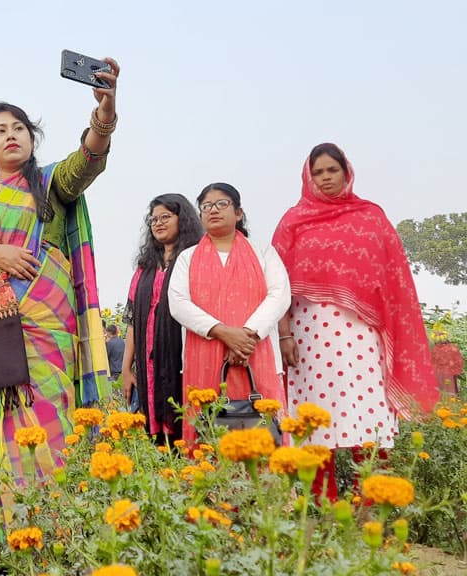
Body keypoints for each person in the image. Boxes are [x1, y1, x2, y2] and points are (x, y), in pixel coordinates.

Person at [0, 58, 118, 565]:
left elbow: (89, 161)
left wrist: (105, 112)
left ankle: (48, 543)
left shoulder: (50, 184)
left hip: (43, 324)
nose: (10, 135)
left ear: (32, 140)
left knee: (46, 424)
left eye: (19, 128)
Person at [272, 143, 438, 499]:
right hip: (308, 339)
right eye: (318, 172)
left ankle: (373, 500)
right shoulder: (292, 221)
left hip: (362, 339)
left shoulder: (370, 217)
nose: (326, 178)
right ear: (307, 177)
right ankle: (320, 502)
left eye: (332, 170)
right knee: (312, 418)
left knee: (367, 413)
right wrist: (284, 336)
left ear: (347, 173)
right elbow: (277, 283)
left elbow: (395, 282)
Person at [168, 183, 290, 443]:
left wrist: (247, 337)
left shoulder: (263, 253)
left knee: (266, 438)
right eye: (206, 206)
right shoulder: (187, 258)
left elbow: (280, 294)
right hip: (204, 353)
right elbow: (178, 303)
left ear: (239, 213)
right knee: (208, 437)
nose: (213, 210)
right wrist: (223, 333)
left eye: (222, 204)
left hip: (256, 352)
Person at [124, 193, 203, 441]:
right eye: (153, 219)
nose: (157, 223)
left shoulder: (194, 260)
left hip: (181, 359)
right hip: (147, 364)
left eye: (165, 217)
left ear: (183, 219)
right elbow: (132, 320)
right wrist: (126, 368)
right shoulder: (145, 267)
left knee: (183, 418)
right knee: (152, 430)